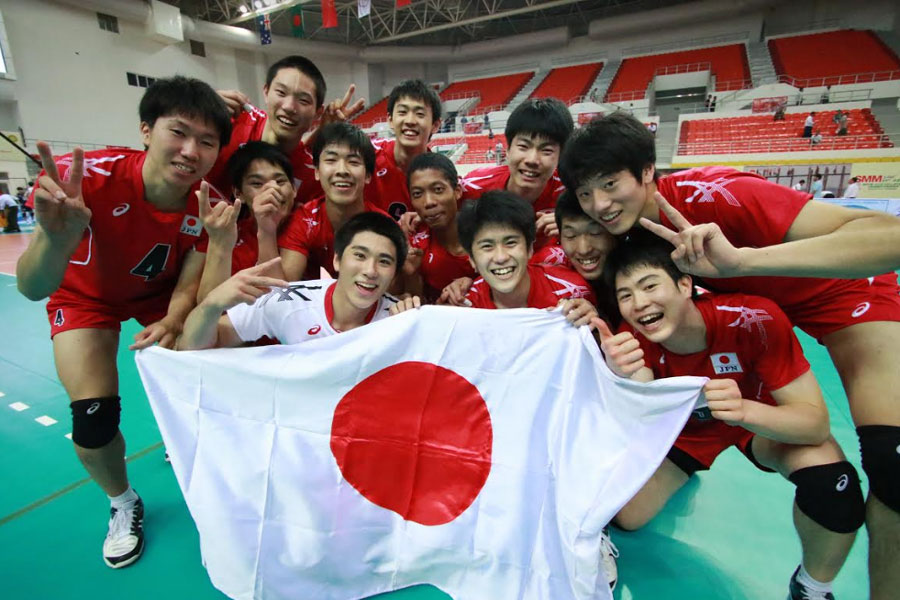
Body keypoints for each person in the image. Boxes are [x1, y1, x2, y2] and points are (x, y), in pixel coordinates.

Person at [559, 111, 900, 600]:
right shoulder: (622, 232)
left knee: (893, 466)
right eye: (586, 193)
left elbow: (890, 236)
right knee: (626, 513)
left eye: (610, 185)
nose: (599, 205)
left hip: (845, 295)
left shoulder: (717, 194)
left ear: (648, 171)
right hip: (741, 354)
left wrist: (744, 261)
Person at [15, 76, 232, 569]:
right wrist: (56, 237)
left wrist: (174, 320)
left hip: (158, 295)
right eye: (179, 132)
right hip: (85, 298)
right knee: (93, 421)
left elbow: (191, 279)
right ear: (146, 130)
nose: (190, 151)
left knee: (220, 359)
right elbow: (31, 286)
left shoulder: (210, 203)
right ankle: (123, 501)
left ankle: (190, 445)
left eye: (206, 141)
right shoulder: (85, 180)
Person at [598, 231, 865, 600]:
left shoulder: (753, 318)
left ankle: (812, 587)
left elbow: (814, 424)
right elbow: (635, 411)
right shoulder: (629, 339)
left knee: (833, 484)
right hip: (686, 433)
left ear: (685, 285)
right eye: (625, 295)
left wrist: (744, 410)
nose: (640, 303)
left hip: (758, 423)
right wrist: (618, 377)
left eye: (649, 286)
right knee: (625, 518)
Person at [178, 212, 410, 350]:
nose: (370, 271)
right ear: (337, 260)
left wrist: (411, 328)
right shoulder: (290, 301)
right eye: (359, 256)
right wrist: (212, 305)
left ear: (394, 274)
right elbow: (193, 346)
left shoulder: (401, 321)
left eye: (384, 261)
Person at [210, 55, 364, 206]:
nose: (289, 107)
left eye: (303, 100)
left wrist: (323, 133)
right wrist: (203, 109)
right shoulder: (229, 123)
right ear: (266, 92)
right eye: (281, 93)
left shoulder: (313, 176)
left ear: (318, 113)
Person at [457, 190, 596, 317]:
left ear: (530, 248)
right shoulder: (464, 308)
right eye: (487, 246)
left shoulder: (575, 291)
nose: (501, 257)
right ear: (472, 259)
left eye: (510, 242)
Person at [278, 122, 388, 281]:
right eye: (331, 160)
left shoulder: (384, 227)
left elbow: (391, 289)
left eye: (353, 162)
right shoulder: (303, 221)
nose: (342, 170)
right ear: (317, 171)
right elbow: (285, 286)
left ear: (368, 176)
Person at [195, 141, 296, 302]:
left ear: (294, 189)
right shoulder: (230, 236)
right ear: (238, 193)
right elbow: (209, 305)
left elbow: (283, 302)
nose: (273, 189)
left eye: (280, 181)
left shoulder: (308, 222)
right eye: (257, 183)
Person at [399, 153, 475, 302]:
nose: (428, 202)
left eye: (438, 189)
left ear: (457, 191)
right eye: (417, 194)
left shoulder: (486, 235)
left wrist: (475, 284)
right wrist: (411, 275)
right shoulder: (412, 243)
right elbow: (416, 304)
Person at [366, 79, 443, 220]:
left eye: (420, 114)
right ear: (390, 119)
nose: (410, 121)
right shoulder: (367, 156)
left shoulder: (442, 175)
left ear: (435, 125)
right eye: (402, 112)